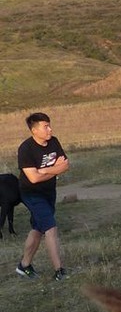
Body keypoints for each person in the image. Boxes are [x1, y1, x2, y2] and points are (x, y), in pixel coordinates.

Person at [15, 112, 70, 280]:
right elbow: (33, 178)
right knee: (50, 228)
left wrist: (45, 170)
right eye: (45, 126)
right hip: (31, 193)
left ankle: (24, 266)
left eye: (49, 125)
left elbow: (65, 166)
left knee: (38, 229)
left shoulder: (54, 142)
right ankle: (59, 271)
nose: (50, 129)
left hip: (49, 192)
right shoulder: (26, 149)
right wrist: (54, 170)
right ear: (34, 130)